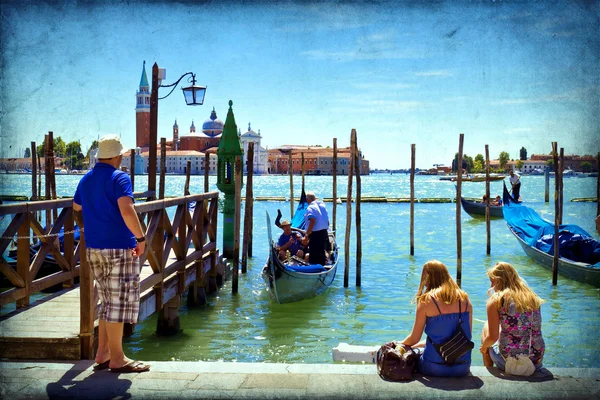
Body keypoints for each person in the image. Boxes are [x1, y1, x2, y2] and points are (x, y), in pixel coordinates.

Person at [73, 134, 150, 374]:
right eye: (122, 155)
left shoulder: (85, 180)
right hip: (119, 247)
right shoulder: (120, 178)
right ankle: (118, 358)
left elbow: (76, 210)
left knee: (107, 301)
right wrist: (141, 238)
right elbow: (127, 210)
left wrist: (89, 227)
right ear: (117, 156)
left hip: (94, 247)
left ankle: (102, 353)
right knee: (117, 303)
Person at [400, 260, 473, 377]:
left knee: (413, 353)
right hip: (462, 367)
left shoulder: (427, 300)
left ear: (427, 278)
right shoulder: (465, 299)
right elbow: (465, 336)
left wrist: (400, 345)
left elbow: (414, 338)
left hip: (433, 367)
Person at [480, 262, 545, 372]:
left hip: (507, 362)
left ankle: (488, 369)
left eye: (493, 282)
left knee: (487, 327)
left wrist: (484, 348)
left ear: (499, 281)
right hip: (535, 361)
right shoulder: (533, 298)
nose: (491, 286)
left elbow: (492, 337)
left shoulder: (496, 300)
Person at [301, 192, 330, 266]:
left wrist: (307, 235)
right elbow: (327, 220)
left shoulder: (310, 207)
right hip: (324, 232)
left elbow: (312, 220)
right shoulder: (322, 206)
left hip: (315, 234)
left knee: (314, 252)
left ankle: (313, 268)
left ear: (307, 199)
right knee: (321, 251)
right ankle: (321, 267)